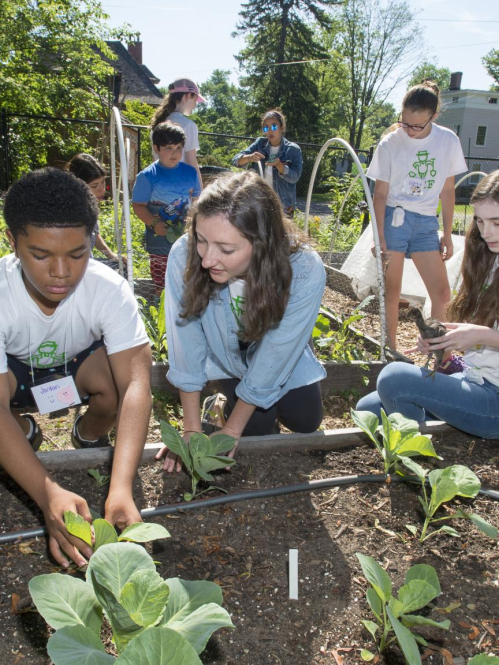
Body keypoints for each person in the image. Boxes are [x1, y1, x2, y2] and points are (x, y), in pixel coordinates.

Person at [0, 167, 152, 566]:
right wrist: (47, 492)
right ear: (12, 241)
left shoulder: (109, 289)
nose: (61, 273)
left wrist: (120, 485)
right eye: (40, 255)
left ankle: (87, 436)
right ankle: (24, 430)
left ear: (91, 243)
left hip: (75, 369)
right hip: (13, 376)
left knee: (117, 385)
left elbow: (138, 383)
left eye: (77, 254)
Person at [157, 170, 326, 473]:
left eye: (226, 249)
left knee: (306, 421)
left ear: (262, 243)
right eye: (201, 240)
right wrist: (191, 430)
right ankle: (219, 407)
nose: (207, 259)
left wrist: (231, 432)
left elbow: (277, 351)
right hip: (227, 354)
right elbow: (186, 339)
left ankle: (232, 409)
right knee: (258, 428)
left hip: (280, 357)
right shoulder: (184, 253)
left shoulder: (303, 268)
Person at [356, 170, 499, 440]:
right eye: (479, 221)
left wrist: (479, 335)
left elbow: (486, 334)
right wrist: (444, 339)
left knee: (393, 379)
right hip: (473, 380)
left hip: (494, 401)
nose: (485, 231)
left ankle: (413, 451)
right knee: (368, 409)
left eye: (496, 222)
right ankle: (421, 431)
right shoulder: (488, 259)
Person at [367, 80, 467, 352]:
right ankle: (389, 351)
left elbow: (447, 190)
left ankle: (438, 351)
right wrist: (380, 236)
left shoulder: (447, 141)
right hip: (394, 218)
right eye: (404, 122)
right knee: (392, 291)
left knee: (442, 293)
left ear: (433, 117)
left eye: (417, 126)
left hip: (425, 223)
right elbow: (379, 194)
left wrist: (447, 234)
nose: (408, 130)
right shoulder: (390, 143)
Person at [132, 122, 201, 295]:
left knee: (185, 279)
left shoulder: (190, 173)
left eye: (179, 148)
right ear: (156, 148)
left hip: (185, 239)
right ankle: (161, 314)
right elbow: (138, 206)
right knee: (162, 284)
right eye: (169, 148)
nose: (175, 153)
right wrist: (155, 223)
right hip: (158, 241)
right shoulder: (147, 176)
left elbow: (197, 200)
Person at [232, 109, 303, 216]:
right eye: (266, 128)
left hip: (283, 206)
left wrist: (280, 166)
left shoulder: (293, 150)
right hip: (260, 202)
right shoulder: (259, 144)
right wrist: (249, 157)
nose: (270, 131)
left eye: (274, 126)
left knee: (280, 232)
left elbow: (295, 177)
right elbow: (236, 160)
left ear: (282, 127)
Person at [66, 153, 124, 269]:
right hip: (76, 268)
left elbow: (94, 234)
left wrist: (111, 255)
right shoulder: (71, 212)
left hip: (88, 262)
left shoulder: (89, 205)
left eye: (103, 182)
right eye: (94, 186)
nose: (102, 190)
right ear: (78, 185)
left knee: (123, 265)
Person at [150, 77, 205, 188]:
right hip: (180, 188)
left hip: (158, 187)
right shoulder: (189, 125)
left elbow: (154, 160)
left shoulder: (157, 124)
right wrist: (200, 192)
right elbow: (191, 162)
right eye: (195, 100)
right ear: (188, 96)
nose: (195, 105)